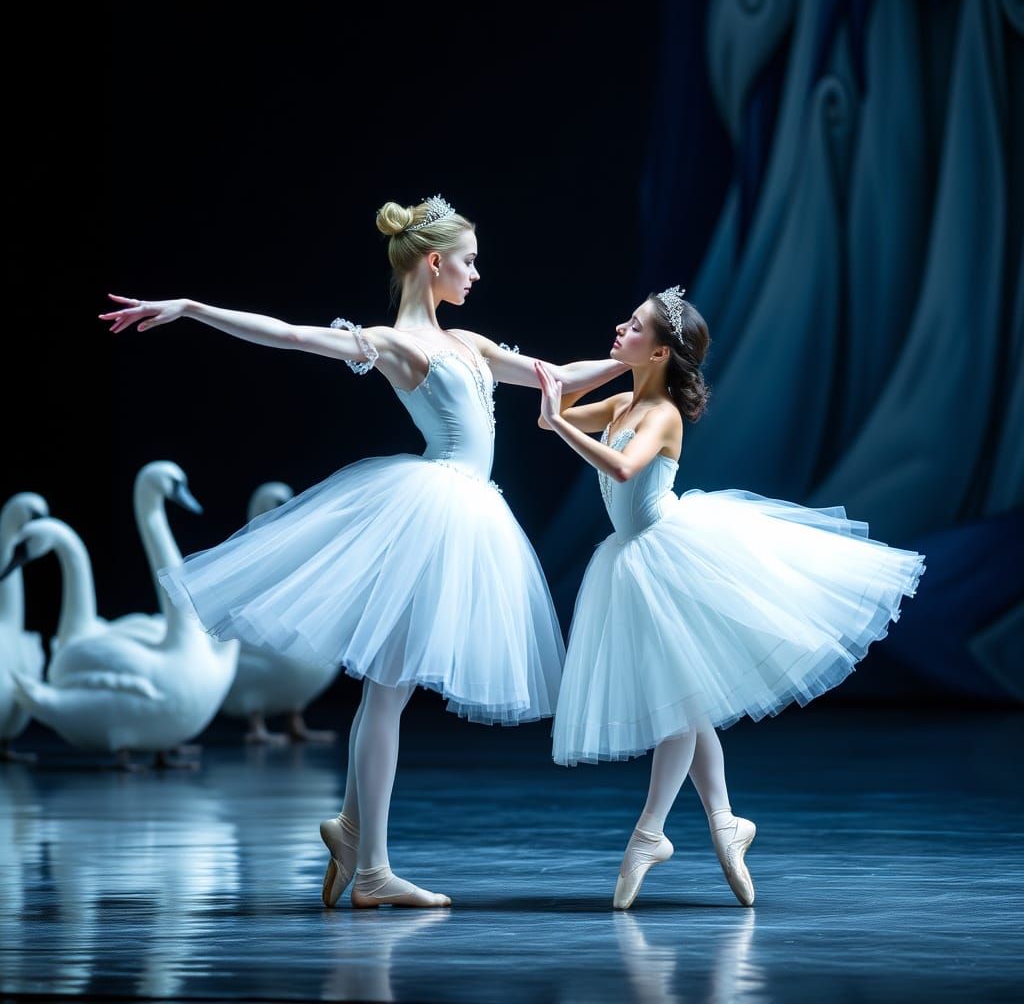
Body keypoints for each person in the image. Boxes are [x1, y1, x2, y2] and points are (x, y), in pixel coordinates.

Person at [102, 194, 626, 909]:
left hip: (462, 510)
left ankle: (355, 835)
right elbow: (291, 336)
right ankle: (370, 863)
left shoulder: (468, 344)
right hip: (433, 508)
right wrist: (192, 307)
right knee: (388, 687)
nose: (476, 275)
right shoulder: (395, 343)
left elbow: (555, 376)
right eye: (469, 262)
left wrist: (638, 362)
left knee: (390, 687)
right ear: (434, 262)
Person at [535, 285, 925, 909]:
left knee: (678, 702)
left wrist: (560, 419)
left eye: (633, 327)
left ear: (660, 353)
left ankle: (650, 834)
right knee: (686, 700)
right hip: (630, 561)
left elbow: (623, 468)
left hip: (669, 556)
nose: (619, 327)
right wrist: (597, 378)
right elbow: (549, 412)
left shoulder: (662, 414)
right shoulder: (622, 403)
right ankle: (724, 822)